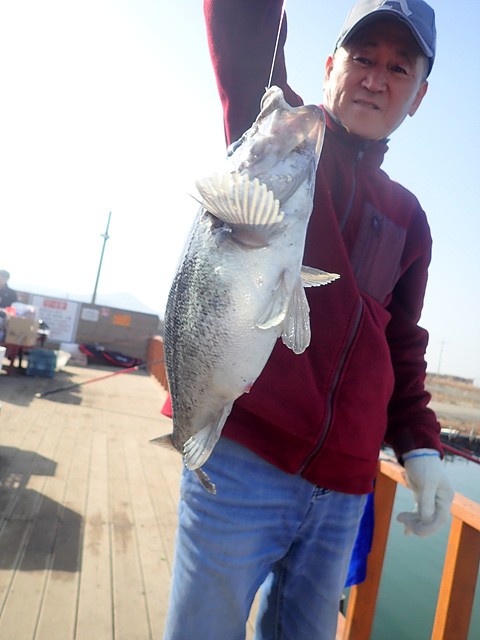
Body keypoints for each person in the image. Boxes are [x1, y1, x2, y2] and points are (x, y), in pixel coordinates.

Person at [163, 1, 455, 638]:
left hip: (345, 486)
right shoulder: (277, 138)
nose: (375, 79)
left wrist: (420, 443)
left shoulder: (410, 218)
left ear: (420, 97)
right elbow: (244, 28)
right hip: (241, 463)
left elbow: (401, 346)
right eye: (362, 57)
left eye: (399, 68)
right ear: (329, 67)